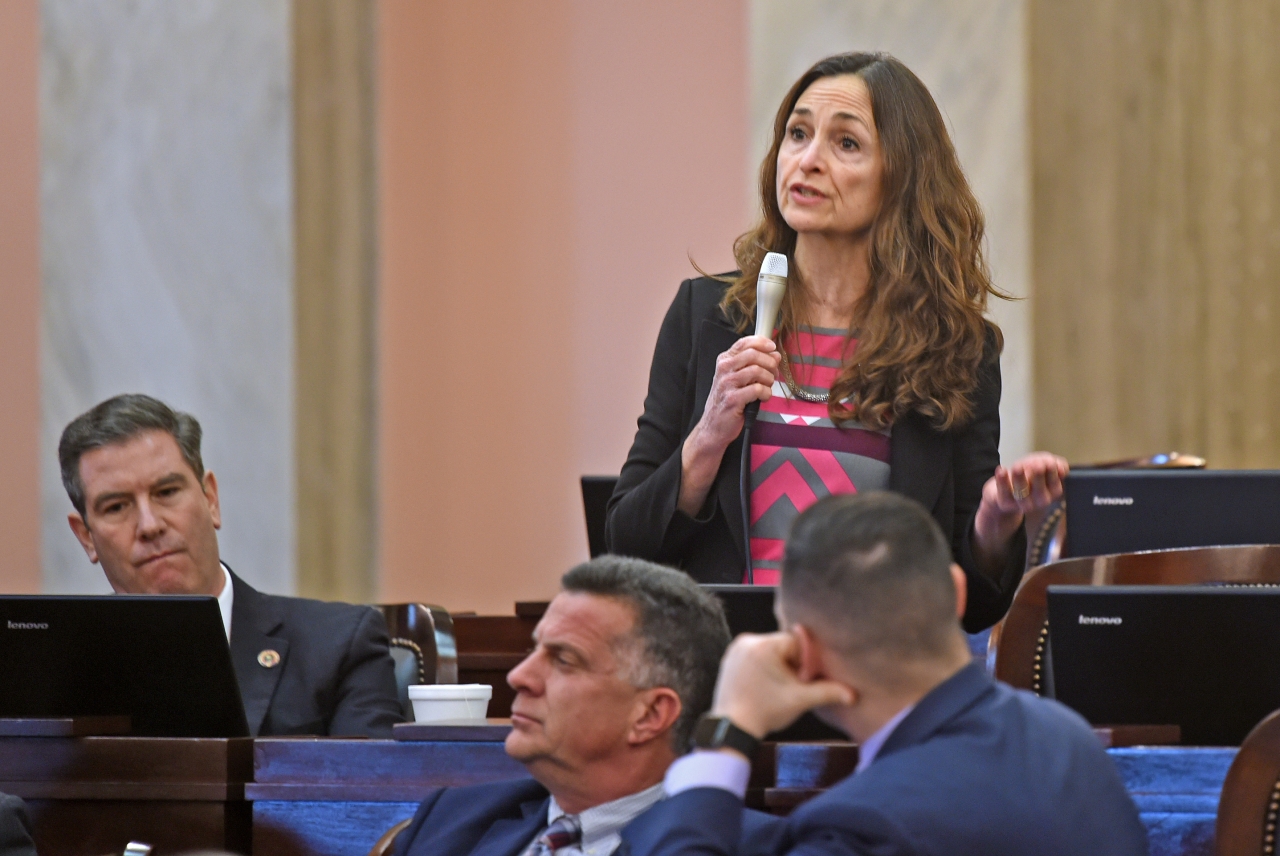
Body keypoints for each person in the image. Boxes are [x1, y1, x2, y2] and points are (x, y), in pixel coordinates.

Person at [606, 51, 1066, 630]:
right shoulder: (708, 317)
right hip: (729, 667)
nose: (808, 159)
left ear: (900, 176)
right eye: (797, 134)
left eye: (845, 143)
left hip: (874, 673)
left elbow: (974, 605)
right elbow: (626, 545)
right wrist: (707, 436)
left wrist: (996, 524)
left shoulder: (955, 348)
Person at [623, 492, 1148, 856]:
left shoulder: (869, 824)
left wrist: (729, 728)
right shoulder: (1069, 738)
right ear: (957, 591)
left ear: (803, 654)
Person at [59, 393, 402, 738]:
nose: (150, 525)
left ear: (210, 499)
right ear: (86, 536)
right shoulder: (60, 665)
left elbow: (372, 787)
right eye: (117, 507)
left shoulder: (337, 646)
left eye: (166, 492)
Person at [393, 555, 737, 856]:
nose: (518, 676)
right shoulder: (450, 821)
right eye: (534, 652)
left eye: (564, 660)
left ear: (650, 714)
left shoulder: (724, 844)